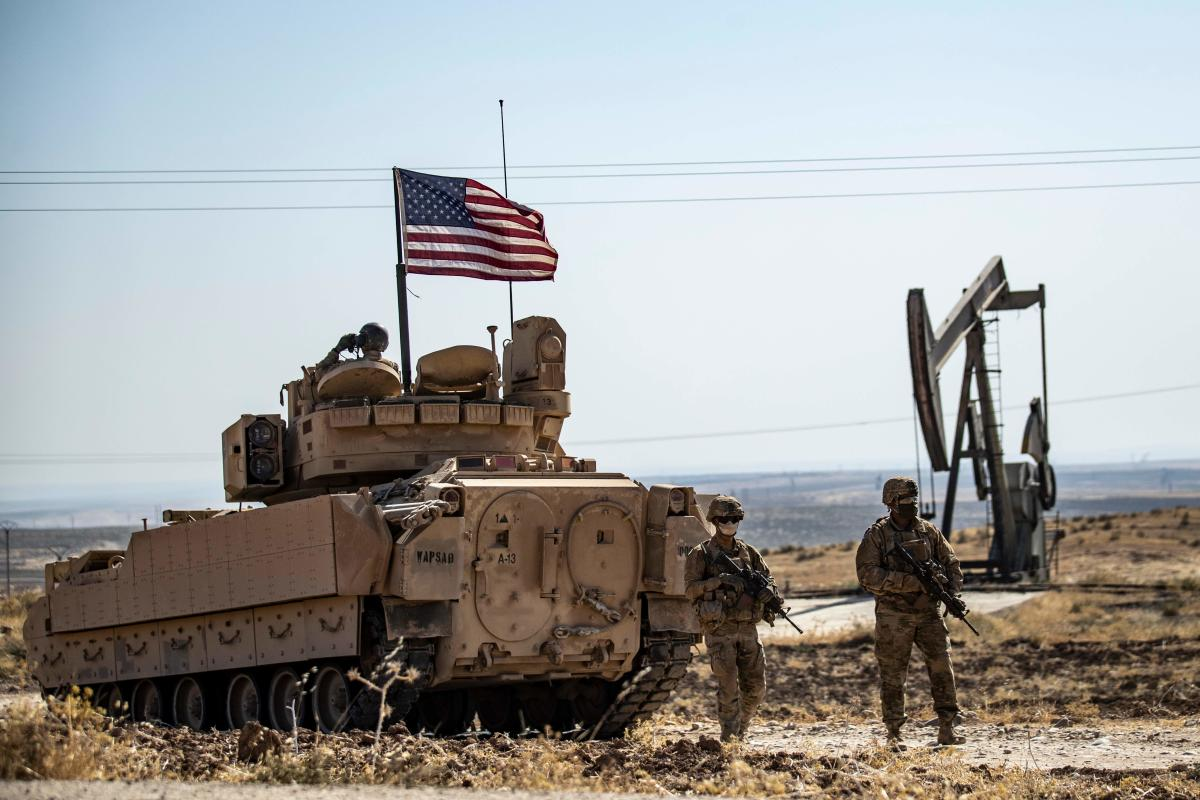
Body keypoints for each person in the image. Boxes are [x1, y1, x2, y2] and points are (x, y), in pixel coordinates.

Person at [855, 476, 965, 748]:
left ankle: (947, 728)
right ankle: (894, 732)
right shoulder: (878, 535)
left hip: (929, 613)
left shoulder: (928, 531)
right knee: (893, 675)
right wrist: (909, 582)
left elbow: (951, 563)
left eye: (914, 501)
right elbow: (867, 575)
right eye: (905, 501)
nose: (911, 506)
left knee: (942, 668)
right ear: (891, 503)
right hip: (895, 616)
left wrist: (951, 593)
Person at [684, 495, 774, 741]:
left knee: (756, 689)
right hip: (719, 629)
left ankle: (742, 725)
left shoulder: (748, 552)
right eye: (724, 518)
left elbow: (768, 578)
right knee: (728, 689)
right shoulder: (700, 554)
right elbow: (690, 590)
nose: (729, 522)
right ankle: (730, 737)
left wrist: (769, 592)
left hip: (747, 629)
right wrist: (720, 580)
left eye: (734, 518)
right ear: (714, 520)